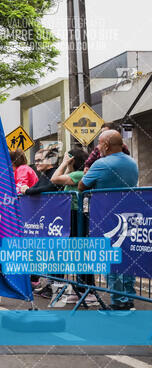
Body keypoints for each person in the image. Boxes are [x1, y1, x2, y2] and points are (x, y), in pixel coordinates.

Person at [79, 130, 138, 311]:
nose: (97, 147)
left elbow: (82, 186)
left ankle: (117, 302)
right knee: (127, 258)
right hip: (130, 215)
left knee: (111, 259)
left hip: (106, 218)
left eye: (99, 143)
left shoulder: (101, 163)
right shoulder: (132, 162)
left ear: (105, 145)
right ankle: (129, 298)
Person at [49, 147, 97, 303]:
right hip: (73, 215)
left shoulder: (79, 174)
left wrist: (63, 163)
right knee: (77, 251)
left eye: (68, 158)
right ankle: (80, 288)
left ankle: (88, 290)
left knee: (82, 251)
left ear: (73, 160)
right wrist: (67, 163)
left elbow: (54, 179)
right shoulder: (74, 174)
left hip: (80, 215)